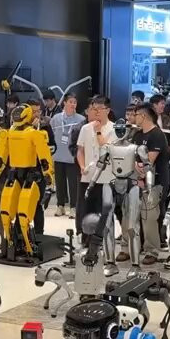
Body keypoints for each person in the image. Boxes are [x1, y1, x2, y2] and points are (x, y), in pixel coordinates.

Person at [130, 103, 169, 265]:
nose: (134, 117)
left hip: (155, 182)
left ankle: (152, 250)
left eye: (136, 114)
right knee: (134, 215)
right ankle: (136, 246)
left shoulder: (157, 135)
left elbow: (149, 161)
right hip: (137, 181)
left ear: (144, 115)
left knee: (150, 216)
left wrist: (138, 167)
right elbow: (132, 156)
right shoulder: (137, 135)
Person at [76, 95, 116, 241]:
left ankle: (104, 240)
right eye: (94, 108)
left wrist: (98, 131)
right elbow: (80, 150)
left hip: (106, 177)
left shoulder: (114, 129)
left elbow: (106, 148)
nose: (96, 112)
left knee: (104, 210)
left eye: (100, 109)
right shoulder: (86, 128)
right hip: (87, 176)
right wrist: (82, 165)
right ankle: (86, 239)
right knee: (86, 209)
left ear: (108, 110)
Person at [50, 93, 85, 218]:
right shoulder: (56, 118)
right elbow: (52, 134)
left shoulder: (81, 119)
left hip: (72, 157)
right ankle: (60, 206)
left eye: (75, 102)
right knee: (59, 183)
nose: (73, 104)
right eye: (70, 102)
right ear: (64, 103)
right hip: (58, 155)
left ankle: (73, 207)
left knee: (73, 184)